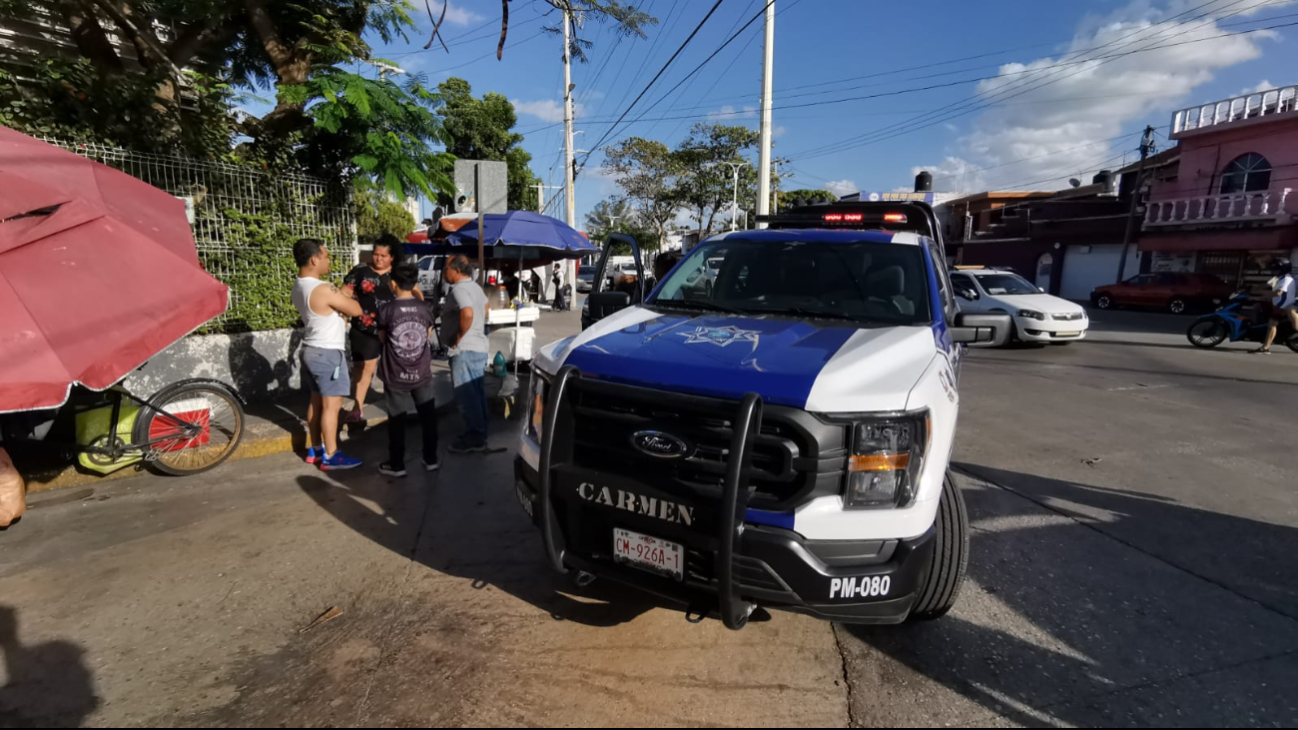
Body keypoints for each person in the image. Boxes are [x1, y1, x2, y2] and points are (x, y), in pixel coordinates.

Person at [291, 238, 364, 470]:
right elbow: (356, 309)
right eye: (325, 256)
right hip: (328, 353)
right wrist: (344, 299)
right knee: (332, 405)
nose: (328, 260)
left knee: (316, 401)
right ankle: (332, 455)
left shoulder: (299, 285)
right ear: (314, 259)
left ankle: (316, 449)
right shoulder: (322, 288)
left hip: (311, 350)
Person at [342, 235, 421, 423]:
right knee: (364, 367)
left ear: (392, 257)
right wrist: (344, 313)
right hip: (364, 329)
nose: (378, 258)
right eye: (376, 254)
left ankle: (396, 404)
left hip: (394, 329)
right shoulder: (360, 271)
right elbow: (344, 293)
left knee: (395, 367)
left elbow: (416, 293)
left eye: (383, 256)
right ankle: (357, 407)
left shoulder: (398, 273)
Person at [376, 263, 439, 476]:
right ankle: (431, 459)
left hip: (395, 373)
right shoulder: (426, 308)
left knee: (396, 420)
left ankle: (397, 464)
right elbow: (427, 335)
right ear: (415, 284)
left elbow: (383, 338)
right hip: (421, 372)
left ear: (393, 283)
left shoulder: (386, 310)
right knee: (428, 417)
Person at [441, 255, 490, 453]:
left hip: (466, 349)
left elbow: (467, 313)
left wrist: (458, 336)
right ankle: (479, 432)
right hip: (478, 347)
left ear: (456, 271)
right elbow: (486, 307)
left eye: (447, 269)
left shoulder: (460, 289)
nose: (445, 273)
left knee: (466, 397)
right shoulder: (475, 287)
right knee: (477, 394)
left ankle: (474, 438)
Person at [1253, 257, 1296, 354]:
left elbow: (1279, 293)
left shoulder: (1286, 279)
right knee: (1270, 323)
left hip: (1283, 306)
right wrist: (1253, 288)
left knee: (1272, 325)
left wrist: (1263, 295)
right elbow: (1267, 284)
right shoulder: (1277, 278)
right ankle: (1265, 347)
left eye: (1276, 269)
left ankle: (1265, 348)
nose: (1274, 271)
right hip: (1277, 305)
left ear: (1283, 269)